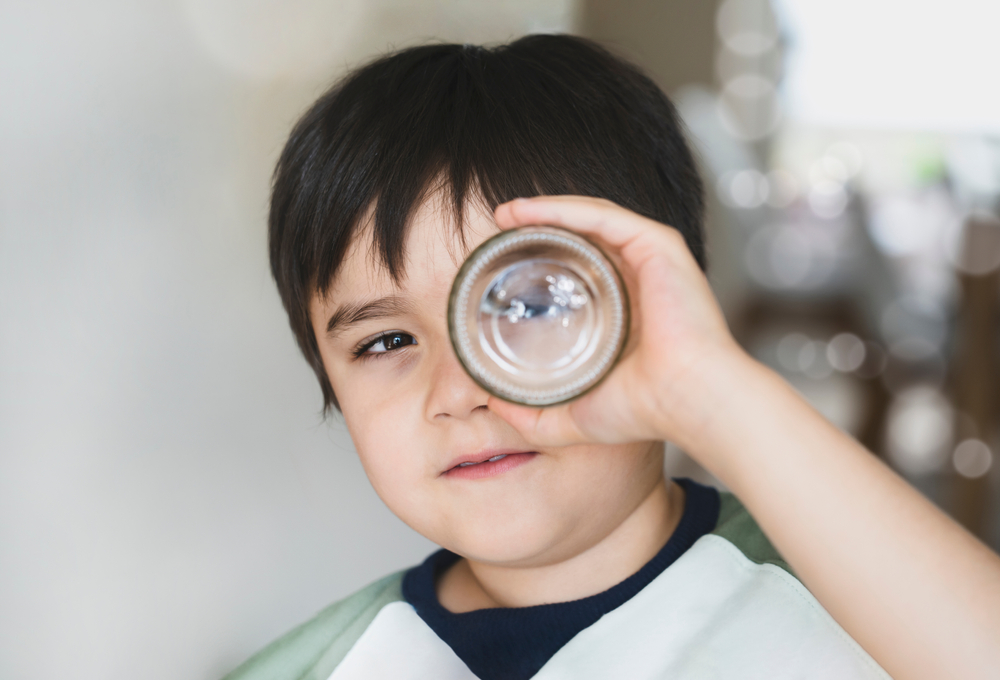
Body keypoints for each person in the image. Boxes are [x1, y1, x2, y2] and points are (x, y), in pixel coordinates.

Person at [223, 35, 1000, 680]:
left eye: (526, 307)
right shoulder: (314, 668)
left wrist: (709, 390)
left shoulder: (862, 604)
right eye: (386, 341)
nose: (459, 390)